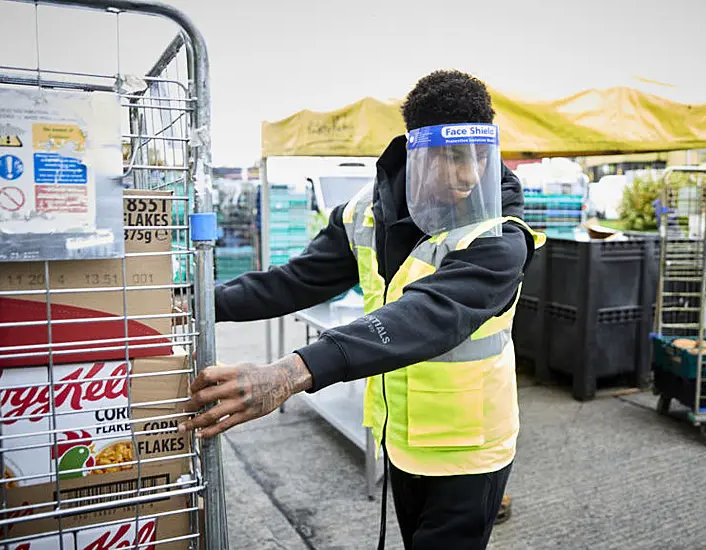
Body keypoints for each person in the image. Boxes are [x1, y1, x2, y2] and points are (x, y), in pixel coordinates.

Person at [178, 70, 544, 549]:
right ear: (417, 151)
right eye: (453, 157)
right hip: (403, 438)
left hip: (469, 450)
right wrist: (194, 302)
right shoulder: (366, 213)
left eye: (479, 156)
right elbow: (298, 280)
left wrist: (293, 371)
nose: (470, 174)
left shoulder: (500, 234)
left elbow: (429, 313)